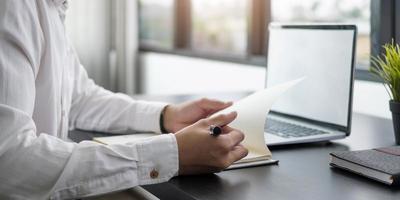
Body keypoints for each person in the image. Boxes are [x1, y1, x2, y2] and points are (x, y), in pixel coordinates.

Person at [0, 0, 248, 199]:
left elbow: (79, 98)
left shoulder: (51, 8)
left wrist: (165, 116)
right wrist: (172, 154)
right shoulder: (13, 8)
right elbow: (9, 161)